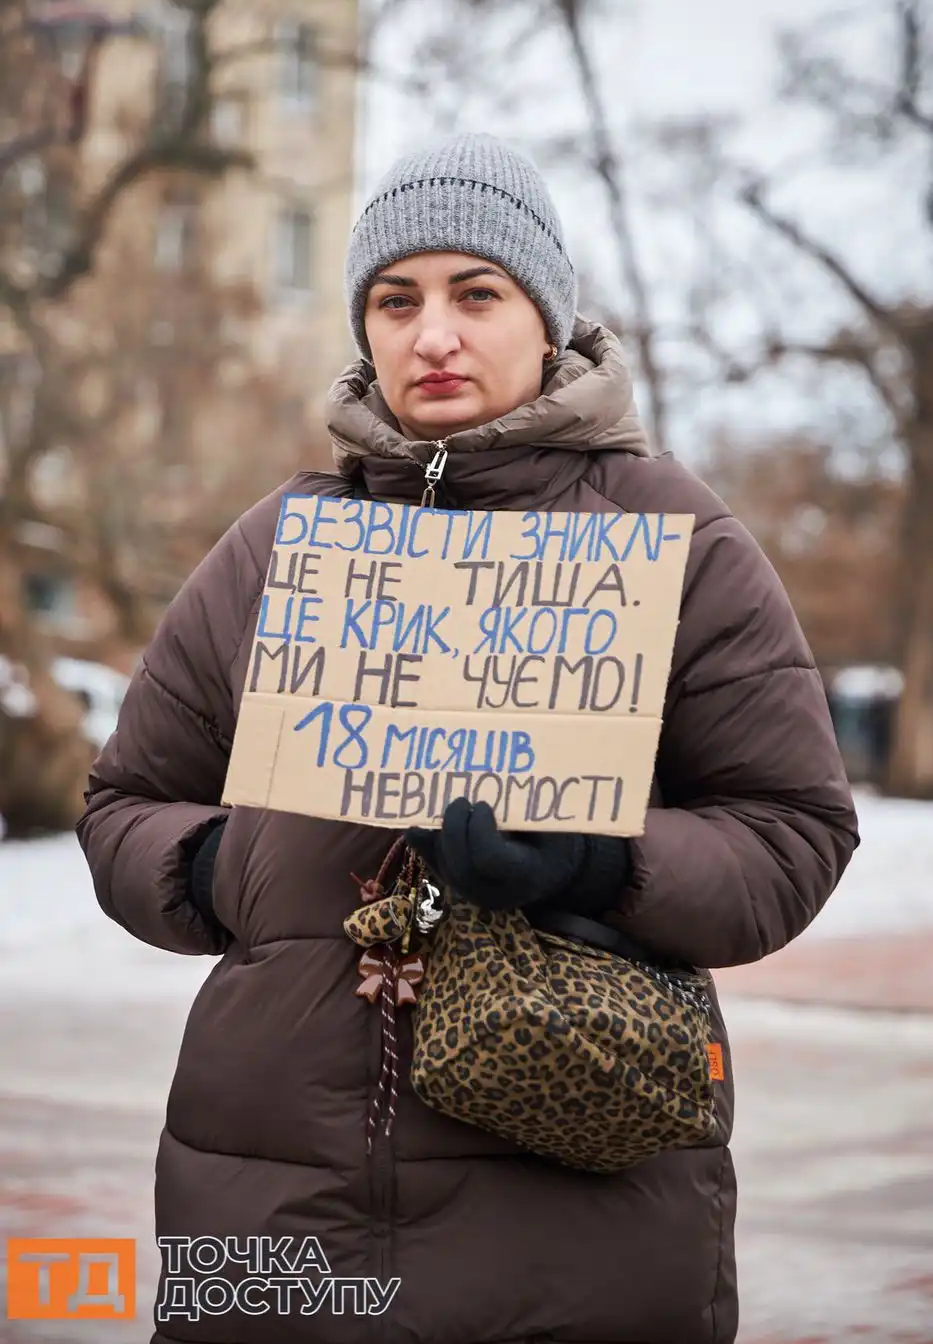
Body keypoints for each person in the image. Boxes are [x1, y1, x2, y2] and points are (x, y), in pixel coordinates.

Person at [77, 132, 859, 1344]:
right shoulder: (281, 544)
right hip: (275, 1199)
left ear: (545, 316)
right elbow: (127, 797)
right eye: (397, 300)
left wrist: (604, 864)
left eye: (475, 293)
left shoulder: (675, 538)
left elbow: (794, 828)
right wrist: (217, 868)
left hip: (573, 1198)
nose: (432, 333)